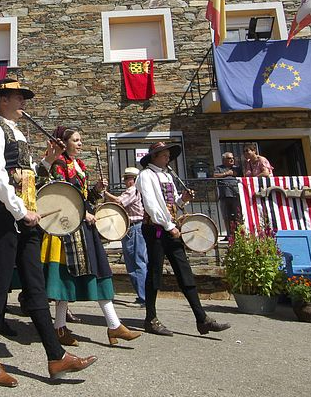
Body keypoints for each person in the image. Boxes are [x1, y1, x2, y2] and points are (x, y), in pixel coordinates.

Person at [0, 77, 96, 387]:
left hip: (26, 219)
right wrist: (20, 211)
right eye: (18, 97)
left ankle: (56, 356)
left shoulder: (19, 135)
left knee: (36, 286)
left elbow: (26, 179)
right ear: (3, 100)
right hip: (6, 217)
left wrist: (48, 161)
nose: (23, 102)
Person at [39, 127, 139, 347]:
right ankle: (68, 327)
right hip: (68, 230)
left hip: (83, 229)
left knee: (97, 273)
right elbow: (60, 196)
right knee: (68, 279)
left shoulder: (79, 166)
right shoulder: (58, 165)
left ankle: (109, 325)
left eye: (80, 140)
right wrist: (84, 213)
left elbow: (85, 199)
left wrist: (96, 191)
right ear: (64, 143)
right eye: (76, 140)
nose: (80, 143)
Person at [137, 141, 230, 337]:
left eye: (168, 155)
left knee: (184, 270)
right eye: (164, 154)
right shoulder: (145, 175)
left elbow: (173, 204)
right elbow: (152, 206)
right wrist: (169, 226)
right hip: (155, 229)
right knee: (155, 272)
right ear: (154, 156)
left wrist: (183, 200)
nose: (168, 158)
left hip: (170, 229)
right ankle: (150, 319)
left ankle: (202, 319)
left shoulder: (168, 176)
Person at [103, 167, 147, 306]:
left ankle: (144, 297)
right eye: (126, 179)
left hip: (134, 228)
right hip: (132, 228)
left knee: (136, 262)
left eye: (128, 178)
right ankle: (143, 296)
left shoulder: (133, 190)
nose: (126, 181)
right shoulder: (135, 190)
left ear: (134, 179)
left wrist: (104, 193)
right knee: (134, 262)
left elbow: (119, 202)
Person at [213, 152, 244, 235]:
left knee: (238, 216)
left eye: (233, 158)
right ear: (224, 160)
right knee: (226, 216)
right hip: (224, 195)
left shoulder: (237, 168)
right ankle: (229, 235)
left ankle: (240, 235)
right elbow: (215, 176)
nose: (232, 160)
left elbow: (243, 177)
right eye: (229, 158)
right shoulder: (219, 168)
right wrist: (226, 174)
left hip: (236, 195)